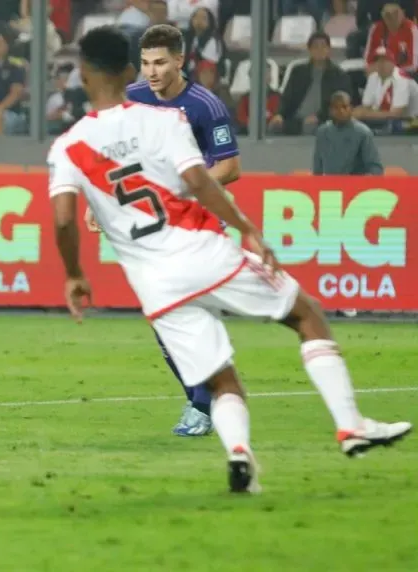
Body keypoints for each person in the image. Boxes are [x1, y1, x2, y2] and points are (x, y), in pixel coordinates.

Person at [47, 26, 411, 494]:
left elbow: (63, 221)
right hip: (202, 251)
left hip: (155, 284)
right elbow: (200, 182)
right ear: (131, 71)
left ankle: (239, 454)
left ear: (82, 74)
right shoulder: (164, 121)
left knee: (220, 380)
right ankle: (350, 425)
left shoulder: (68, 146)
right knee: (307, 315)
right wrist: (247, 229)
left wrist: (75, 275)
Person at [100, 23, 243, 438]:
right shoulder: (133, 99)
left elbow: (230, 166)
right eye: (145, 63)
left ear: (180, 61)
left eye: (160, 62)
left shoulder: (205, 106)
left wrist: (180, 186)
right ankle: (203, 400)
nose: (152, 71)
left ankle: (201, 406)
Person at [313, 91, 385, 175]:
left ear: (351, 109)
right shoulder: (322, 132)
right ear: (330, 110)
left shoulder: (363, 132)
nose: (341, 111)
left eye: (344, 107)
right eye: (336, 107)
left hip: (356, 182)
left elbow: (376, 168)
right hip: (330, 182)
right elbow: (317, 169)